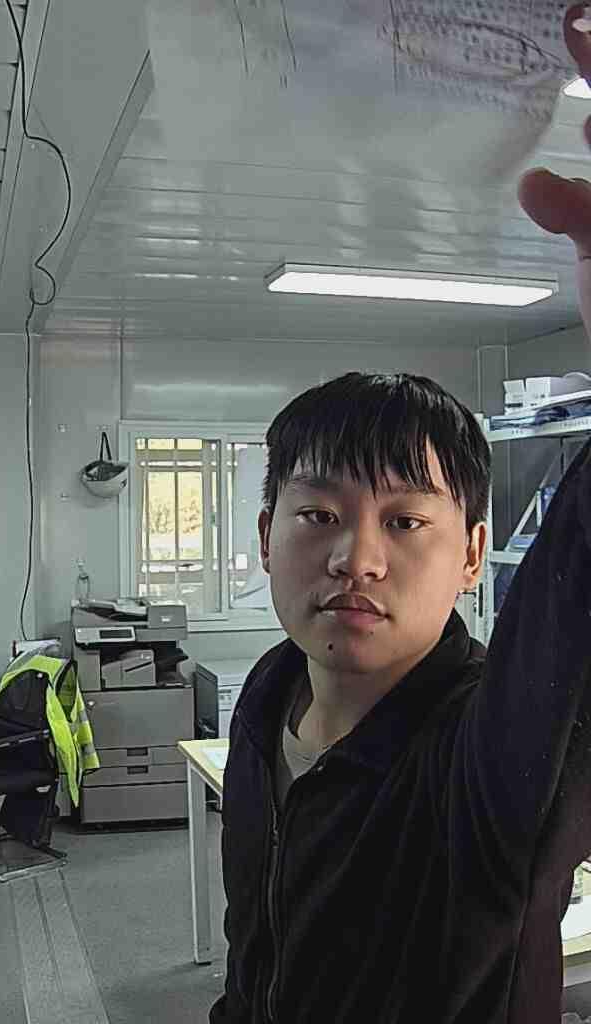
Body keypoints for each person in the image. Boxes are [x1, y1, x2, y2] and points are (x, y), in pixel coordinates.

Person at [209, 7, 591, 1024]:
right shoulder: (268, 699)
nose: (357, 558)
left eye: (406, 522)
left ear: (473, 553)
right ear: (265, 538)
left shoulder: (492, 753)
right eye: (318, 514)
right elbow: (256, 952)